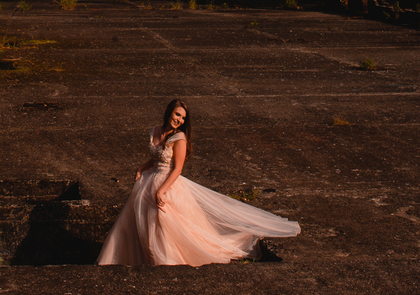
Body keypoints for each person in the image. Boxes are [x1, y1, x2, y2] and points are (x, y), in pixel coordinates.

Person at [96, 98, 301, 266]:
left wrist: (162, 191)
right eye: (177, 115)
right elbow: (157, 157)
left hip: (167, 183)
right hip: (150, 180)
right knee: (142, 224)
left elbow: (177, 168)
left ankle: (165, 261)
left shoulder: (180, 139)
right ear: (169, 111)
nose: (179, 120)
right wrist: (141, 168)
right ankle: (143, 259)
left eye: (183, 118)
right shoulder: (155, 130)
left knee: (164, 225)